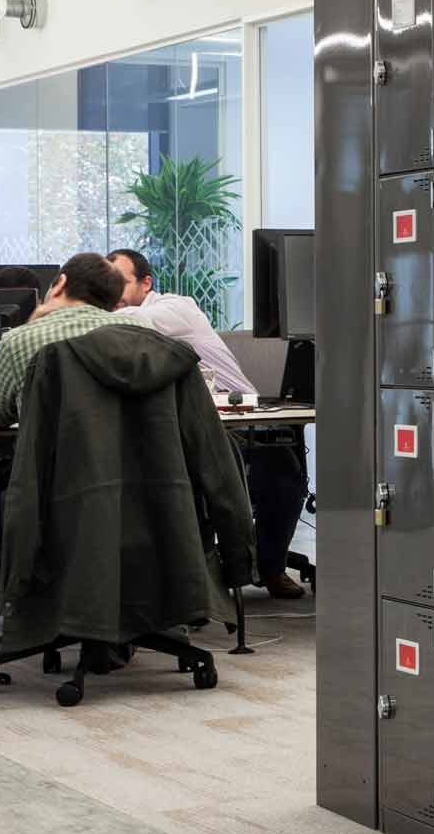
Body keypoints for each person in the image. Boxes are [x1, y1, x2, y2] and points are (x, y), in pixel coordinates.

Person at [108, 247, 309, 602]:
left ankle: (270, 567)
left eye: (119, 282)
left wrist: (73, 310)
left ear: (146, 283)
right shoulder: (117, 321)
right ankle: (188, 582)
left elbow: (130, 324)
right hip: (184, 427)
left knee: (280, 475)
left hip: (243, 423)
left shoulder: (173, 309)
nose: (112, 292)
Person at [0, 252, 126, 428]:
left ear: (61, 283)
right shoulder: (143, 331)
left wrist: (29, 326)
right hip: (129, 454)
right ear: (115, 301)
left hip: (57, 455)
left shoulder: (19, 342)